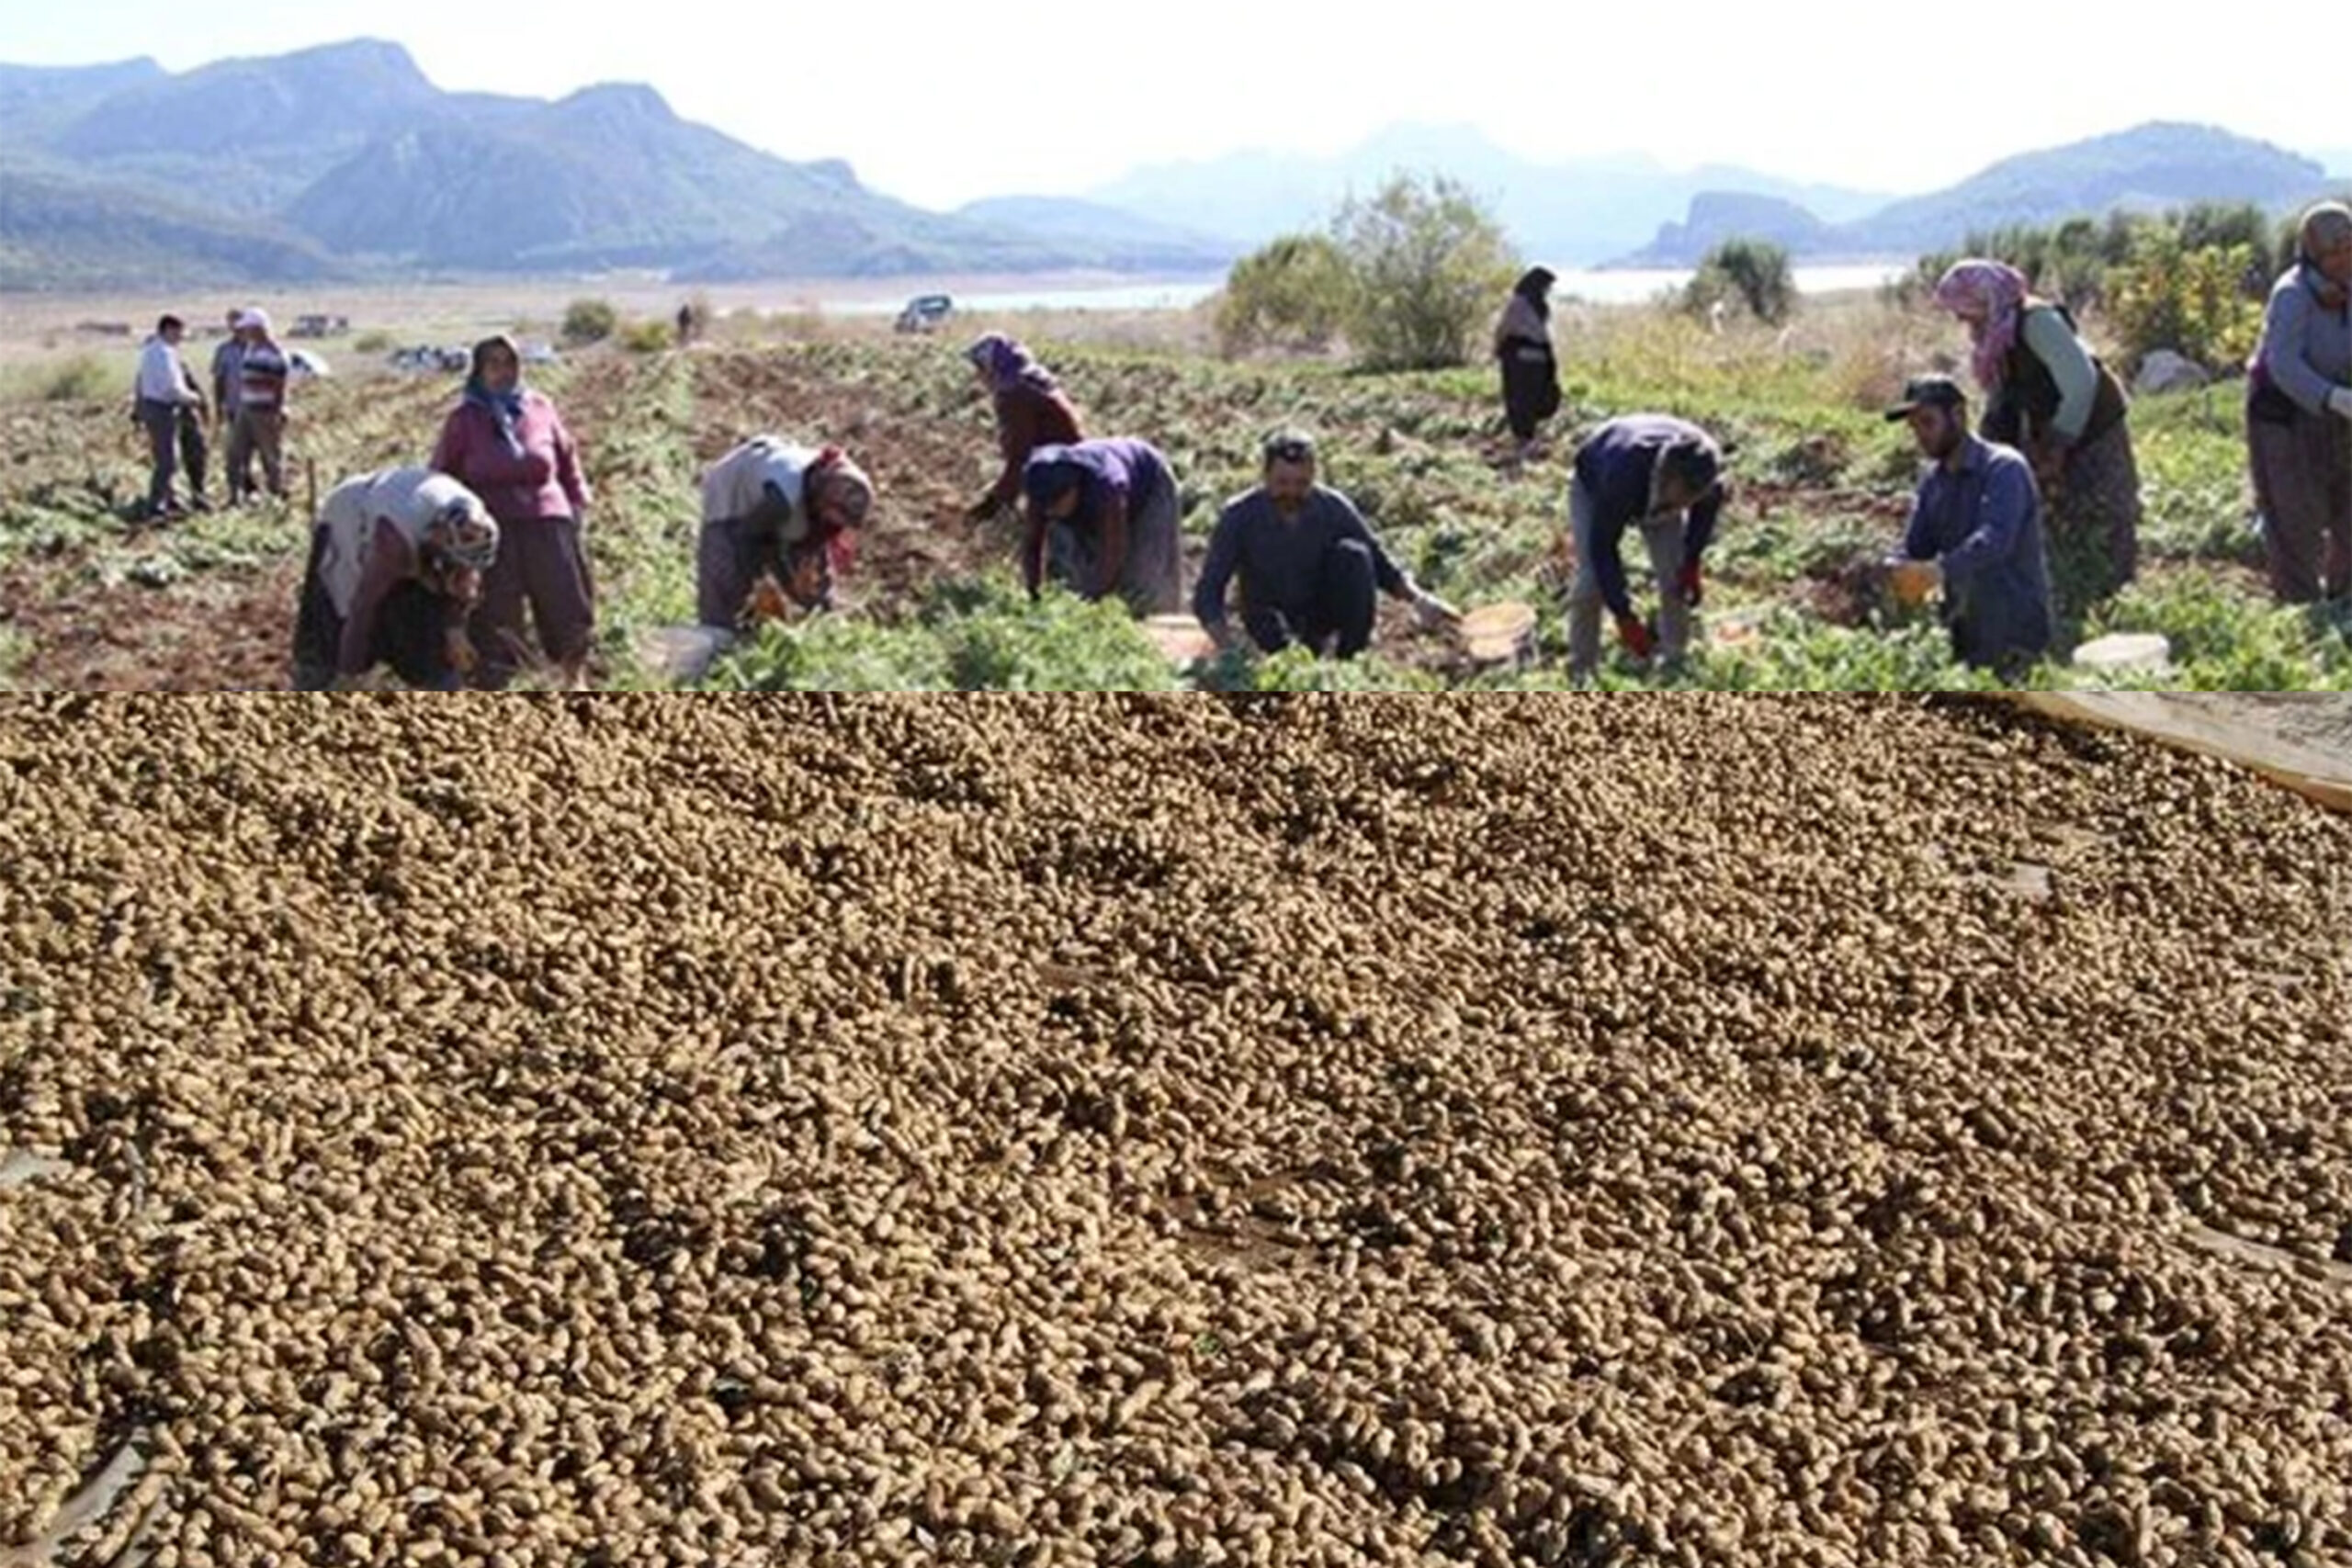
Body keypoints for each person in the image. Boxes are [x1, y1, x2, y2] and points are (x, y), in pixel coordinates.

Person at [1933, 258, 2139, 609]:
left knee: (2107, 506)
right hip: (2053, 422)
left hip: (2092, 422)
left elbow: (2080, 381)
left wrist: (2058, 442)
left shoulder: (2036, 322)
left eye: (1965, 310)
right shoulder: (1997, 333)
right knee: (2058, 509)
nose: (1961, 319)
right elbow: (2003, 398)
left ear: (1985, 299)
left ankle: (2117, 595)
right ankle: (2075, 589)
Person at [1193, 431, 1458, 659]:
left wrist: (1421, 600)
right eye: (1282, 483)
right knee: (1277, 657)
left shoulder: (1332, 507)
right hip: (1267, 613)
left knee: (1355, 556)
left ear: (1314, 477)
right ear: (1264, 476)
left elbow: (1381, 565)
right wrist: (1228, 645)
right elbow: (1208, 592)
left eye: (1301, 484)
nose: (1292, 493)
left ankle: (1350, 657)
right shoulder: (1239, 515)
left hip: (1316, 611)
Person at [430, 334, 595, 688]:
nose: (503, 371)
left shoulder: (540, 407)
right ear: (479, 370)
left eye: (510, 363)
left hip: (547, 519)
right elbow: (442, 475)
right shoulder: (465, 419)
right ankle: (497, 687)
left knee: (565, 600)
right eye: (494, 364)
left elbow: (566, 458)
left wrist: (578, 500)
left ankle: (573, 678)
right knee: (495, 610)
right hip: (492, 526)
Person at [1885, 375, 2053, 677]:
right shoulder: (1932, 481)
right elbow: (1916, 546)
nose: (1920, 435)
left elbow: (1995, 540)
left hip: (2015, 625)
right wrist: (1897, 567)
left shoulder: (2004, 467)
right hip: (1964, 628)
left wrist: (1939, 570)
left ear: (1959, 415)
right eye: (1914, 427)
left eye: (1928, 422)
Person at [290, 467, 500, 692]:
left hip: (409, 519)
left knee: (425, 622)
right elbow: (362, 605)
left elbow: (463, 584)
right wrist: (349, 676)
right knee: (334, 620)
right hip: (352, 515)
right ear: (440, 536)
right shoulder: (394, 543)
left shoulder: (479, 528)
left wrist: (454, 628)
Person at [1562, 414, 1727, 681]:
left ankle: (1675, 657)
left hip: (1652, 490)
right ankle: (1582, 666)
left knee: (1674, 572)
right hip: (1594, 482)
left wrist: (1692, 561)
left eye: (1692, 499)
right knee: (1592, 579)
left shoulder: (1706, 477)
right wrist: (1623, 615)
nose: (1686, 504)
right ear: (1667, 477)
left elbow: (1703, 515)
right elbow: (1603, 548)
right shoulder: (1621, 477)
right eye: (1682, 496)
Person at [2246, 202, 2352, 604]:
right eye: (2335, 253)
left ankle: (2344, 599)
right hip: (2285, 416)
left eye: (2351, 250)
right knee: (2295, 516)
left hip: (2340, 407)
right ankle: (2299, 607)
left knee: (2347, 505)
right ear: (2313, 254)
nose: (2345, 260)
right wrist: (2331, 397)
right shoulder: (2292, 294)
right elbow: (2283, 363)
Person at [695, 435, 874, 630]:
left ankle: (822, 627)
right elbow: (746, 539)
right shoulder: (783, 498)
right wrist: (761, 583)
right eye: (837, 517)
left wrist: (820, 606)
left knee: (807, 578)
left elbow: (812, 565)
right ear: (824, 502)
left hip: (775, 501)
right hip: (734, 492)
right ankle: (718, 636)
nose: (837, 525)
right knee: (727, 577)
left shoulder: (820, 511)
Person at [1019, 439, 1184, 615]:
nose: (1050, 510)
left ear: (1074, 487)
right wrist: (1034, 595)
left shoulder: (1108, 486)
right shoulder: (1039, 494)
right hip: (1094, 506)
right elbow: (1032, 544)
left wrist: (1094, 600)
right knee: (1072, 575)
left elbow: (1114, 551)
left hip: (1149, 488)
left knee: (1141, 584)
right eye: (1044, 504)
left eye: (1056, 501)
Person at [964, 333, 1084, 525]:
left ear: (991, 367)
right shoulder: (1030, 379)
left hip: (1061, 472)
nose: (977, 376)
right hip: (1074, 461)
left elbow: (1020, 456)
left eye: (979, 368)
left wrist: (994, 503)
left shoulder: (1014, 395)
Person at [131, 314, 209, 519]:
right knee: (168, 460)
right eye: (178, 332)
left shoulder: (150, 350)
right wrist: (193, 399)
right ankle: (156, 505)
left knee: (165, 456)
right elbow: (171, 389)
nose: (181, 337)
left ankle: (170, 499)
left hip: (154, 407)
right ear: (168, 330)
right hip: (162, 409)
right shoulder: (164, 353)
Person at [1493, 267, 1562, 460]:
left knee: (1518, 397)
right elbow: (1542, 334)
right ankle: (1527, 439)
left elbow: (1504, 329)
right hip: (1537, 357)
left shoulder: (1519, 303)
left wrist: (1497, 349)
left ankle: (1523, 439)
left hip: (1519, 359)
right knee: (1532, 396)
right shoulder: (1536, 305)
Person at [226, 309, 291, 503]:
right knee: (235, 453)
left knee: (271, 455)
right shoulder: (251, 350)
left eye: (247, 329)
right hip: (246, 408)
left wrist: (277, 411)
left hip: (265, 411)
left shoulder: (275, 354)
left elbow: (279, 386)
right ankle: (234, 495)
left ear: (257, 328)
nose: (243, 333)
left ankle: (276, 495)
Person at [209, 309, 243, 432]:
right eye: (232, 323)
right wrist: (218, 408)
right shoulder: (224, 350)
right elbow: (219, 381)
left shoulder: (258, 349)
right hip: (233, 407)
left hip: (258, 409)